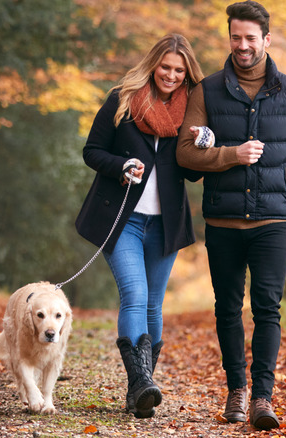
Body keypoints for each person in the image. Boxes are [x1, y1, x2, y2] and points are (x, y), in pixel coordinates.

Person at [176, 1, 286, 430]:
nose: (243, 45)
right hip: (223, 222)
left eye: (251, 38)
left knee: (268, 309)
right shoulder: (207, 92)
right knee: (228, 310)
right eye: (236, 37)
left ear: (266, 40)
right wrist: (231, 155)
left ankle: (263, 398)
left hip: (273, 223)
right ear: (229, 37)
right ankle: (237, 391)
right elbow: (184, 153)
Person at [75, 33, 204, 418]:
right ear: (153, 64)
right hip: (123, 219)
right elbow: (92, 151)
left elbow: (194, 175)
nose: (171, 75)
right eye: (165, 67)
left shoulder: (193, 112)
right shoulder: (123, 99)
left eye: (179, 70)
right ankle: (141, 384)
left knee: (153, 304)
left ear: (186, 74)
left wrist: (202, 144)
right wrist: (121, 166)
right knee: (134, 293)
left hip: (165, 225)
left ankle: (140, 390)